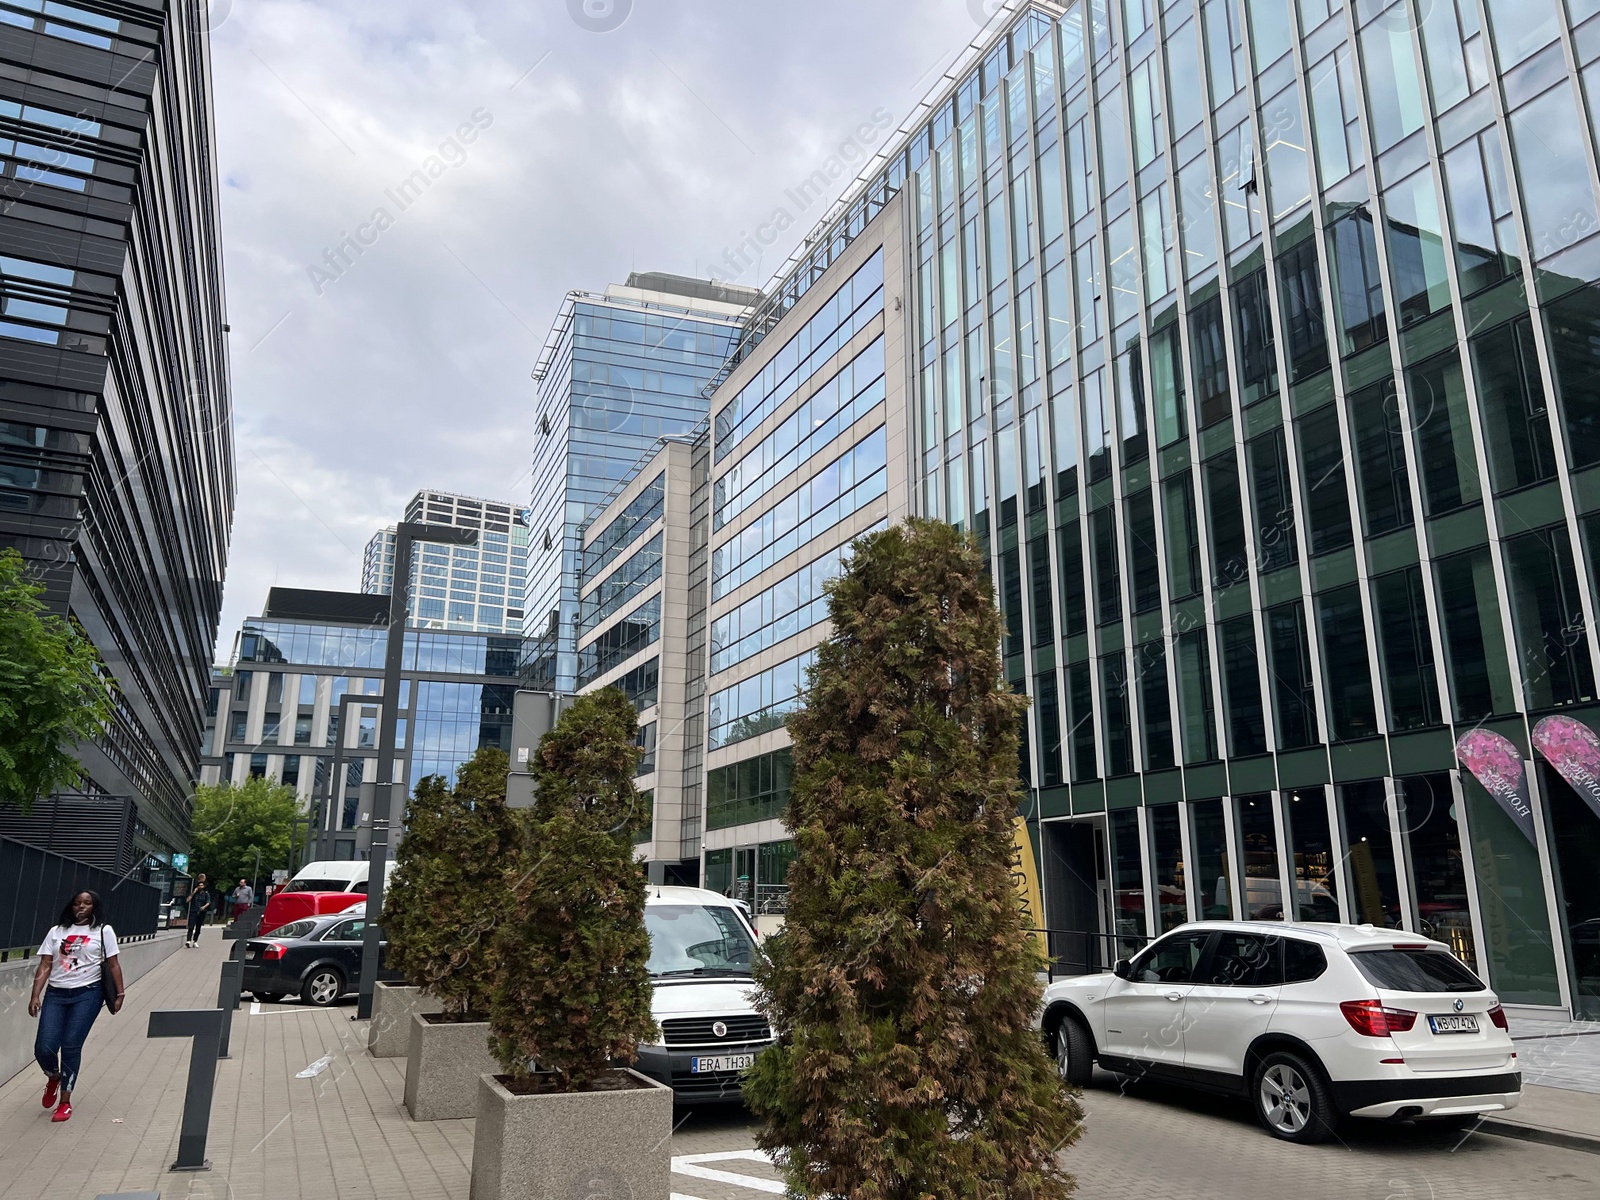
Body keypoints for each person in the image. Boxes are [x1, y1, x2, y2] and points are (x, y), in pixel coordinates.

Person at [29, 890, 124, 1123]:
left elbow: (113, 964)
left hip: (88, 994)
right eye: (77, 903)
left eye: (87, 903)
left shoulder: (103, 930)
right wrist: (35, 995)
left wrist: (120, 993)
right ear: (71, 906)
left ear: (95, 906)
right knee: (44, 1047)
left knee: (71, 1045)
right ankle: (53, 1077)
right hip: (56, 994)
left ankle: (65, 1102)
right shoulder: (57, 931)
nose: (82, 906)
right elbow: (45, 964)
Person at [185, 874, 212, 946]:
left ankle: (195, 940)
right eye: (199, 886)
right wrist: (193, 892)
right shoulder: (194, 893)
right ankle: (188, 940)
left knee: (198, 927)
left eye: (202, 886)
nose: (200, 887)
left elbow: (208, 902)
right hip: (193, 910)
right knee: (191, 926)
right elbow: (187, 900)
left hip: (201, 912)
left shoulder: (206, 894)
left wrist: (204, 907)